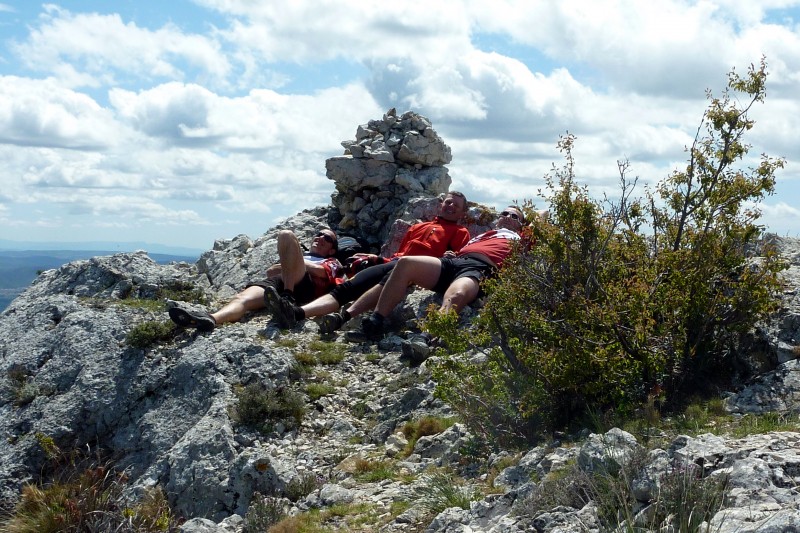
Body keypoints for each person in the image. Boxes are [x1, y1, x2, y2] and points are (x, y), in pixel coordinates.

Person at [267, 192, 470, 330]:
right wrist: (376, 258)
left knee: (387, 280)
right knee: (347, 288)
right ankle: (296, 313)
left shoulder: (460, 232)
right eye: (448, 202)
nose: (450, 206)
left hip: (419, 269)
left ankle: (346, 318)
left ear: (462, 213)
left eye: (456, 205)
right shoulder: (417, 227)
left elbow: (454, 260)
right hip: (394, 262)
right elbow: (398, 254)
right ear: (441, 204)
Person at [358, 205, 527, 344]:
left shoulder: (521, 237)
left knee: (458, 294)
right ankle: (376, 321)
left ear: (521, 225)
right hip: (455, 262)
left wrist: (529, 220)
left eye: (513, 216)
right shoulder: (482, 235)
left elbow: (543, 213)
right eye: (504, 213)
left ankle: (425, 338)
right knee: (405, 263)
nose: (506, 216)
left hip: (481, 268)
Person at [168, 228, 341, 331]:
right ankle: (212, 319)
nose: (320, 238)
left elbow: (320, 272)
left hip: (305, 286)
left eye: (327, 238)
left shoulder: (332, 261)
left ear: (332, 250)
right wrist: (293, 263)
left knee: (286, 235)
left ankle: (288, 296)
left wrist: (296, 264)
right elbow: (271, 271)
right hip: (280, 281)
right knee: (242, 299)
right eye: (318, 235)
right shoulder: (302, 256)